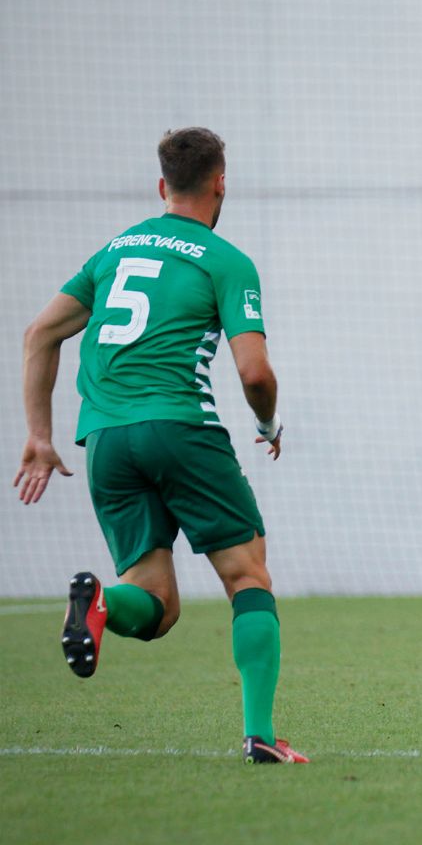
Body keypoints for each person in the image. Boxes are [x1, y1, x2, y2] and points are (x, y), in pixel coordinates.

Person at [13, 127, 307, 765]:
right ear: (221, 183)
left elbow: (39, 334)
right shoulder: (225, 260)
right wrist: (267, 424)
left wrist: (39, 436)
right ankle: (260, 736)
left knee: (157, 606)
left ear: (161, 186)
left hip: (106, 440)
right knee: (247, 575)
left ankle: (100, 601)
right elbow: (255, 373)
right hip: (180, 428)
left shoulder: (114, 252)